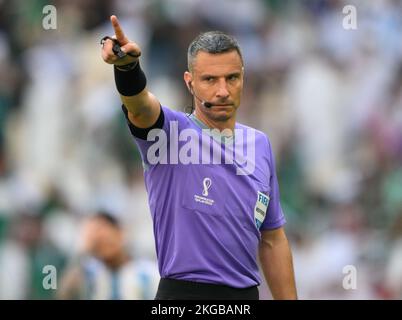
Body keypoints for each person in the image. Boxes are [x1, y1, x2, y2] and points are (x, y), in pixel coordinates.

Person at [101, 15, 297, 300]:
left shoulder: (259, 144)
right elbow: (141, 107)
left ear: (243, 77)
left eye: (232, 78)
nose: (222, 91)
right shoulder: (171, 133)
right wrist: (128, 68)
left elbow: (272, 239)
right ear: (190, 82)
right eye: (209, 80)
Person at [57, 211, 159, 300]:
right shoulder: (89, 273)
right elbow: (63, 294)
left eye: (107, 238)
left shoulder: (147, 273)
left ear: (120, 233)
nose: (103, 244)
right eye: (97, 241)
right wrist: (82, 252)